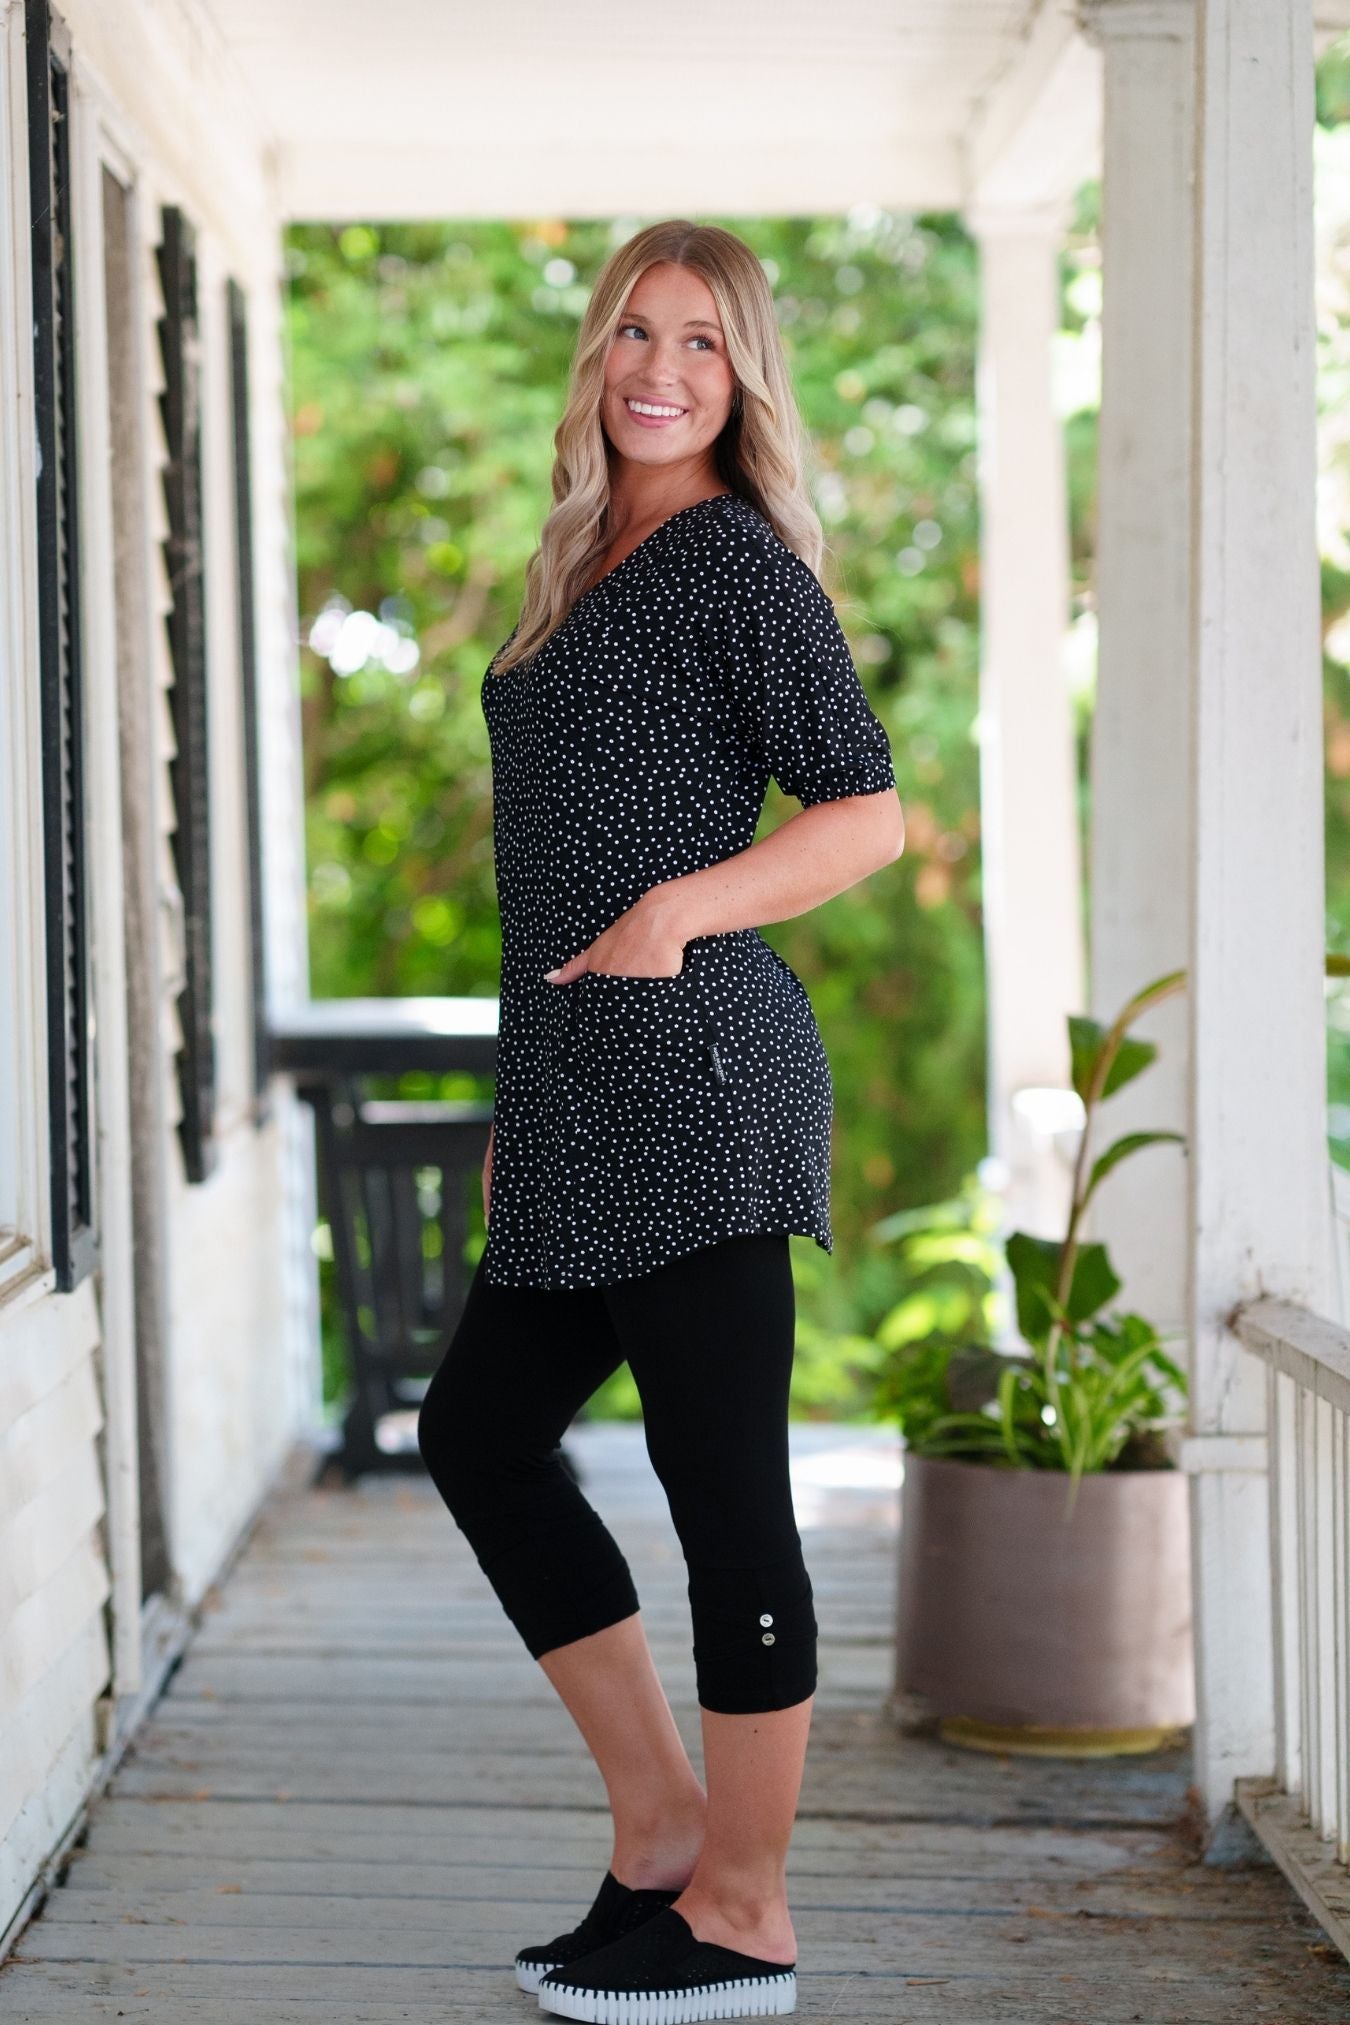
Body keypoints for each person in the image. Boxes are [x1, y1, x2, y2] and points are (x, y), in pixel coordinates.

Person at [417, 217, 905, 2025]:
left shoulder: (732, 565)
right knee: (476, 1431)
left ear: (741, 373)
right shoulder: (577, 562)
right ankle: (658, 1840)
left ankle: (749, 1914)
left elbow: (865, 817)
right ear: (595, 357)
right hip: (574, 1096)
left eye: (701, 342)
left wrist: (680, 910)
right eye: (634, 331)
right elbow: (535, 868)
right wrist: (515, 1097)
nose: (659, 370)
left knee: (724, 1502)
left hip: (696, 1081)